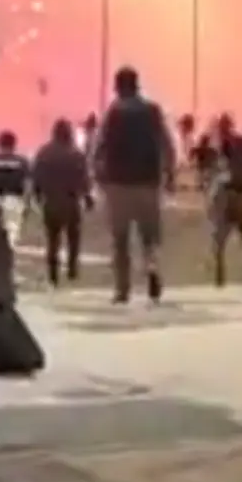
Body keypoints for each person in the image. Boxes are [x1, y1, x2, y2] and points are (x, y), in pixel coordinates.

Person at [92, 66, 173, 304]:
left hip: (118, 184)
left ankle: (122, 289)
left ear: (118, 86)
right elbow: (166, 144)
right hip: (148, 183)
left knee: (120, 240)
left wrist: (97, 175)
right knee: (149, 238)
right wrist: (169, 173)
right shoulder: (153, 111)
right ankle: (152, 267)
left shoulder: (113, 113)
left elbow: (99, 147)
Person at [31, 118, 92, 285]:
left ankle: (53, 273)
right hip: (71, 201)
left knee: (53, 239)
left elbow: (37, 176)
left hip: (51, 202)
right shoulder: (76, 154)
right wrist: (87, 197)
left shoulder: (44, 153)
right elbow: (84, 179)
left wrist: (37, 195)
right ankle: (72, 268)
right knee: (73, 238)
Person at [210, 113, 242, 287]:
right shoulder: (241, 143)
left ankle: (221, 272)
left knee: (221, 236)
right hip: (236, 193)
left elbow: (220, 170)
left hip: (228, 193)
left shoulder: (226, 146)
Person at [0, 130, 32, 250]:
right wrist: (27, 203)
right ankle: (8, 256)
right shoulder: (22, 162)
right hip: (14, 200)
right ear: (14, 144)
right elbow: (28, 183)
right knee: (12, 233)